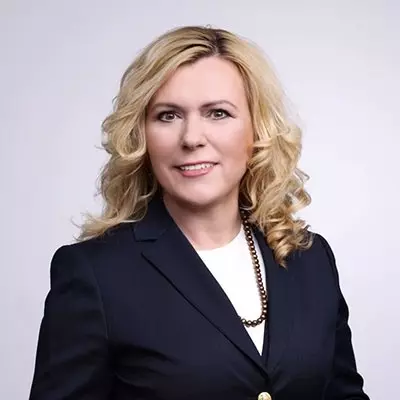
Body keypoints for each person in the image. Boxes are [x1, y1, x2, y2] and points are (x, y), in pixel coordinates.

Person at [29, 26, 369, 400]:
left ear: (257, 129)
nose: (192, 138)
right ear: (142, 135)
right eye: (168, 116)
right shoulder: (95, 274)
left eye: (218, 113)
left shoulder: (310, 258)